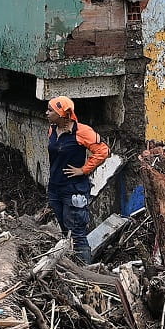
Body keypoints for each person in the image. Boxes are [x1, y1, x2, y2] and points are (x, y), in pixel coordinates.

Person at [45, 96, 110, 261]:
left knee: (78, 234)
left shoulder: (82, 131)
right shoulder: (52, 130)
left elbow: (103, 151)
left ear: (61, 114)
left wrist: (83, 169)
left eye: (50, 110)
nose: (46, 113)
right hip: (55, 188)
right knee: (64, 232)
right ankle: (71, 266)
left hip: (74, 190)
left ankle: (86, 274)